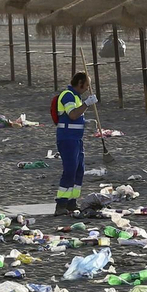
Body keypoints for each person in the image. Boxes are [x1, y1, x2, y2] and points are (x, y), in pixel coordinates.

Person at [53, 72, 97, 214]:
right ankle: (61, 204)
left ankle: (72, 202)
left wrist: (86, 121)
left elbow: (76, 117)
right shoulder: (68, 95)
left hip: (76, 139)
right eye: (87, 85)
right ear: (80, 83)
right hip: (67, 139)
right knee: (70, 170)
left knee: (79, 170)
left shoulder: (76, 97)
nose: (88, 88)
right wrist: (87, 104)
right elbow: (72, 114)